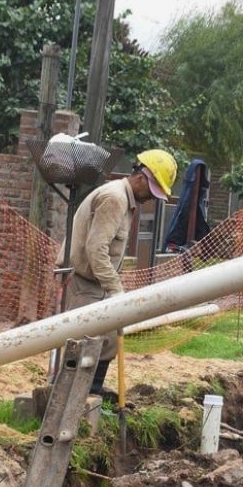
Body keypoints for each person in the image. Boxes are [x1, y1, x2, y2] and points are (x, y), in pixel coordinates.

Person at [61, 149, 178, 398]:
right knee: (83, 341)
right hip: (85, 281)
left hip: (97, 281)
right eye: (152, 191)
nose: (151, 199)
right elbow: (96, 249)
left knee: (110, 337)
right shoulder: (115, 198)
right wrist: (115, 289)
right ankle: (71, 395)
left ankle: (91, 391)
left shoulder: (125, 199)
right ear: (141, 177)